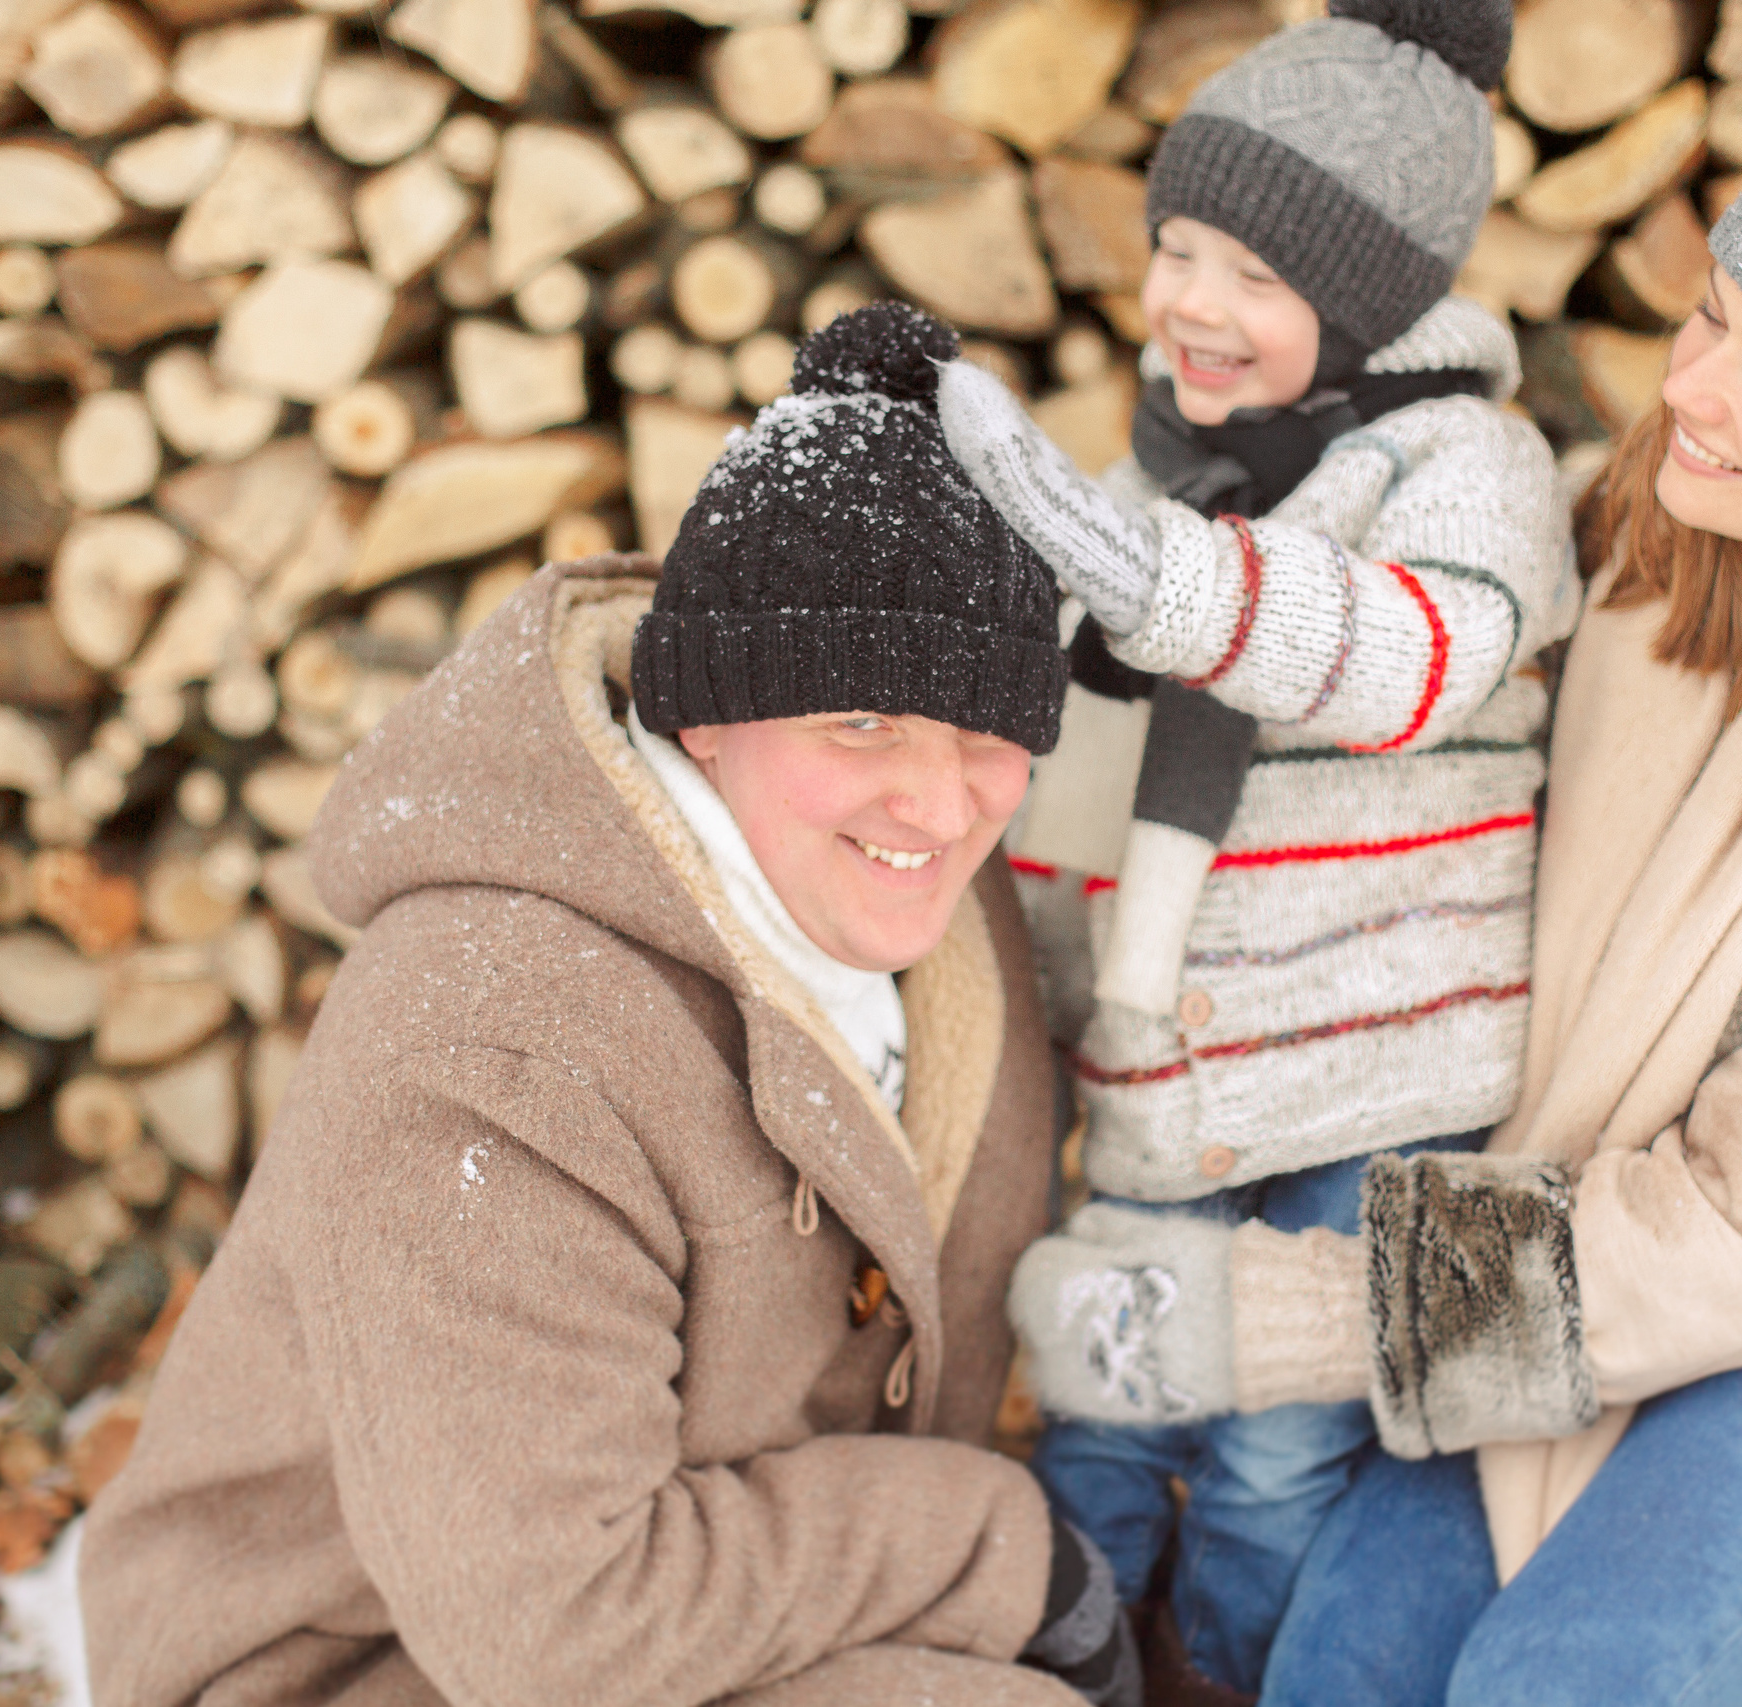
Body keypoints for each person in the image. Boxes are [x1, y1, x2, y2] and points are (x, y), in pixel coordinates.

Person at [1002, 53, 1742, 1707]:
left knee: (1567, 1685)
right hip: (1532, 1255)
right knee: (1340, 1669)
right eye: (1709, 316)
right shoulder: (1616, 550)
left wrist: (1280, 1314)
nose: (1693, 387)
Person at [77, 305, 1143, 1707]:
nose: (941, 807)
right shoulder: (489, 1047)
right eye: (863, 722)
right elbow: (555, 1631)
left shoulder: (933, 921)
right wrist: (993, 1555)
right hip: (357, 1665)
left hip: (718, 1605)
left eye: (984, 728)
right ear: (703, 714)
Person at [934, 0, 1571, 1692]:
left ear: (1364, 305)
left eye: (1258, 277)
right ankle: (1064, 1666)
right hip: (1178, 1052)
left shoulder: (1470, 465)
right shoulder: (1163, 470)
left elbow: (1408, 657)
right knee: (1101, 1390)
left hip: (1381, 1067)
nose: (1194, 305)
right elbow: (1072, 743)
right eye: (1177, 250)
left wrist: (1153, 581)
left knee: (1278, 1453)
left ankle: (1222, 1675)